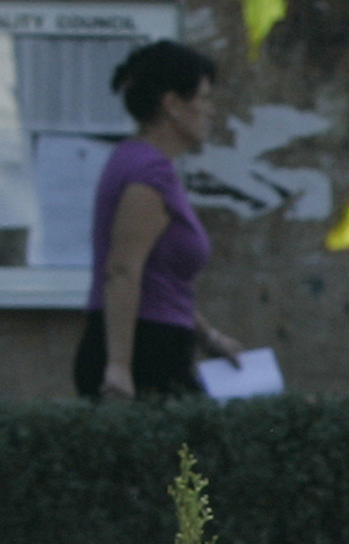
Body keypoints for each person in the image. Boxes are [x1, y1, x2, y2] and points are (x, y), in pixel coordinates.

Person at [72, 40, 242, 400]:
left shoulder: (139, 162)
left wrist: (208, 337)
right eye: (204, 98)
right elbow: (123, 270)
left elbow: (158, 281)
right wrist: (119, 366)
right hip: (147, 352)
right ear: (173, 106)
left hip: (160, 342)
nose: (211, 111)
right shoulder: (148, 173)